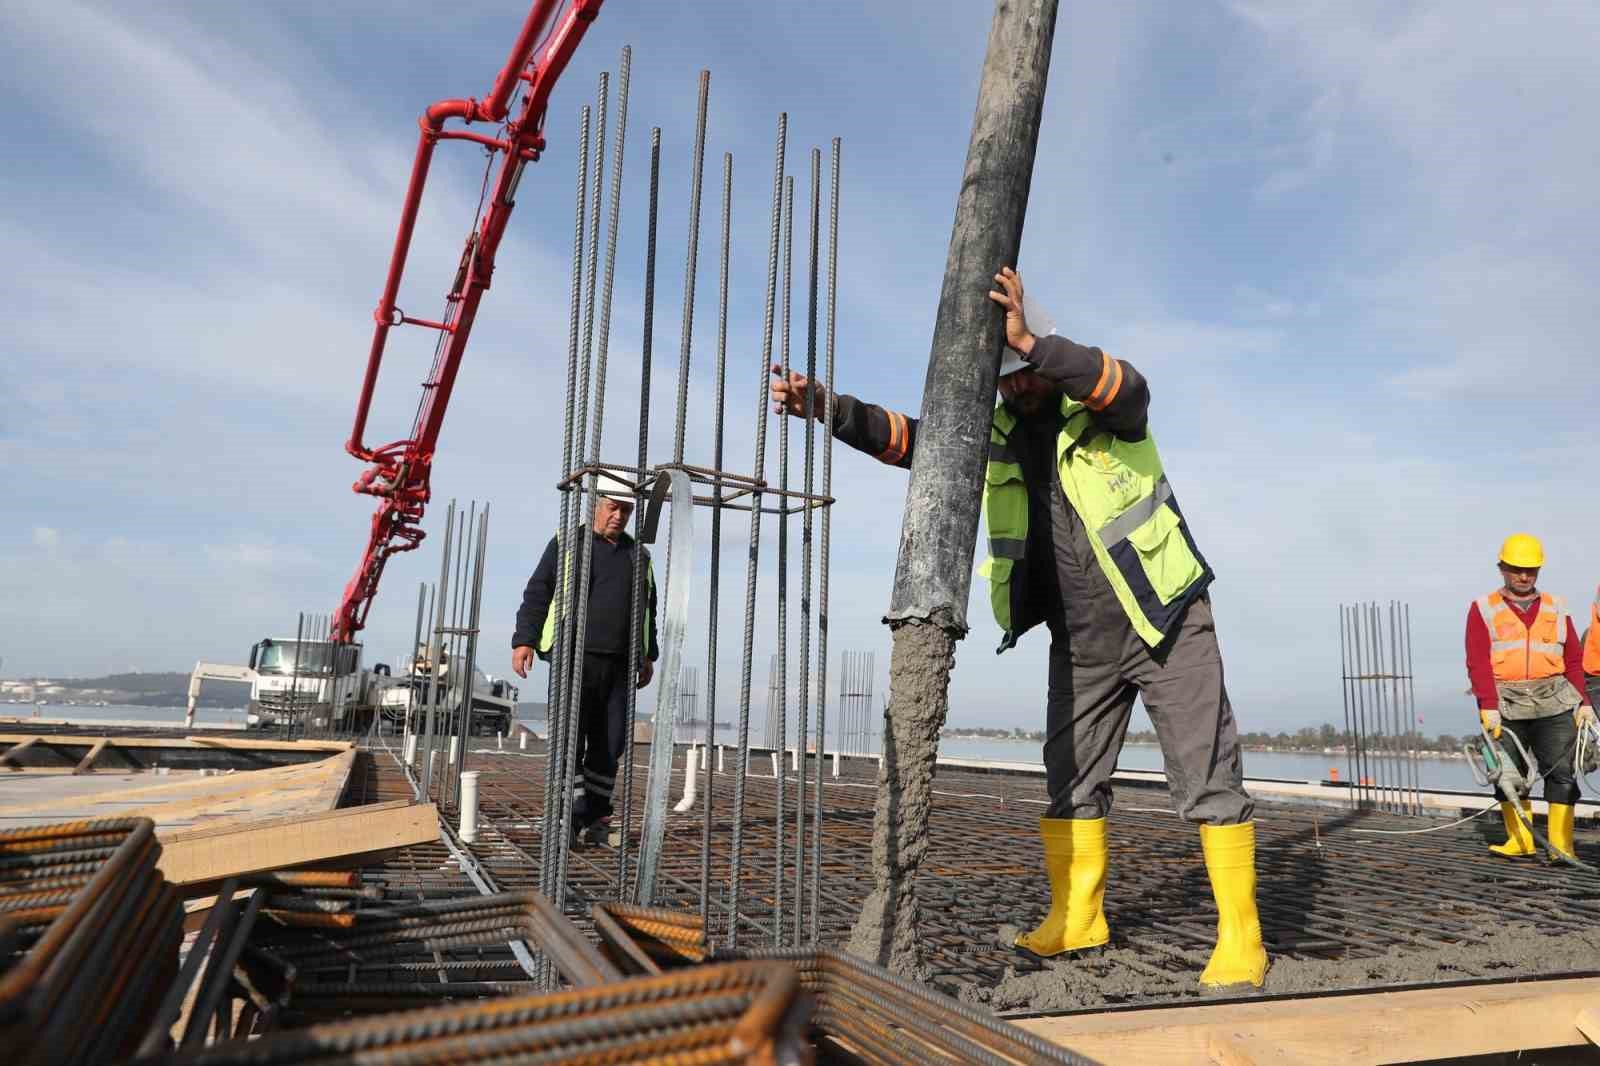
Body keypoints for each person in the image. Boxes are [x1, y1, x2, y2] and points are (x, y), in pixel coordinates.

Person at [769, 266, 1265, 990]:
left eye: (1022, 372)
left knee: (1205, 774)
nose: (1014, 388)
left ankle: (1241, 938)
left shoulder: (1101, 408)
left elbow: (1130, 385)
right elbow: (910, 439)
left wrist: (1033, 339)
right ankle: (1078, 917)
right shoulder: (995, 429)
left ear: (1040, 360)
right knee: (1068, 777)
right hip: (1082, 640)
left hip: (1163, 617)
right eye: (1004, 378)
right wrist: (823, 405)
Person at [512, 473, 658, 844]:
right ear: (596, 505)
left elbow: (648, 609)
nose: (619, 516)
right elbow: (538, 592)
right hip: (573, 656)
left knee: (611, 744)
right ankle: (567, 817)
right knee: (569, 739)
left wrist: (647, 655)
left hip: (620, 664)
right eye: (613, 508)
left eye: (626, 510)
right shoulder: (567, 543)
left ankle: (596, 817)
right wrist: (524, 640)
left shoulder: (637, 554)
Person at [1465, 534, 1594, 860]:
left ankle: (1560, 847)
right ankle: (1521, 841)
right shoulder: (1483, 609)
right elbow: (1477, 660)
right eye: (1516, 569)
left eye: (1531, 570)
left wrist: (1585, 703)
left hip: (1555, 701)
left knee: (1561, 773)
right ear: (1502, 568)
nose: (1524, 576)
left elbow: (1574, 661)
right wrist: (1488, 705)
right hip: (1505, 704)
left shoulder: (1556, 607)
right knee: (1508, 775)